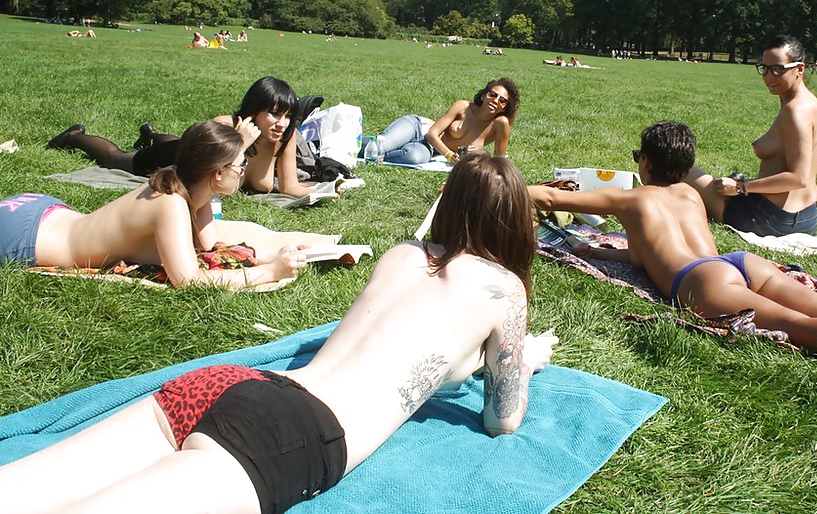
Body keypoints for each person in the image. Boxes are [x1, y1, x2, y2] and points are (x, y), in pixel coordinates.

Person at [0, 153, 558, 513]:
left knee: (19, 490)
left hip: (232, 383)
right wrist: (523, 361)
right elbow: (502, 419)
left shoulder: (404, 252)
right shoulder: (503, 289)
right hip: (292, 434)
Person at [528, 120, 817, 422]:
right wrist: (606, 254)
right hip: (741, 264)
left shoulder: (629, 198)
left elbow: (548, 198)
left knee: (805, 329)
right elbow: (641, 255)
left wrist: (499, 178)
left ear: (646, 162)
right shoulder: (691, 195)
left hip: (702, 280)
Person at [4, 121, 307, 289]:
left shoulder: (185, 187)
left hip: (44, 213)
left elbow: (212, 245)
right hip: (26, 239)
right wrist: (270, 272)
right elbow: (190, 283)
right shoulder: (171, 204)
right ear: (217, 174)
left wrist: (274, 254)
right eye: (240, 167)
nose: (242, 174)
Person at [48, 77, 317, 198]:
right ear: (253, 110)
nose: (281, 123)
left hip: (181, 145)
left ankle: (151, 134)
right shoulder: (226, 127)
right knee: (115, 158)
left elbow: (289, 187)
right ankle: (74, 136)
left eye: (286, 115)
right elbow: (213, 183)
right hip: (176, 157)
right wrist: (241, 144)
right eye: (273, 114)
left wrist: (323, 191)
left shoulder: (284, 135)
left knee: (170, 139)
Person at [685, 34, 817, 236]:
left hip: (771, 219)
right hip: (804, 217)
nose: (768, 76)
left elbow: (798, 178)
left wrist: (741, 187)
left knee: (680, 170)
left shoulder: (796, 112)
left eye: (778, 69)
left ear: (799, 69)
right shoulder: (807, 102)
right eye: (764, 68)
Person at [365, 78, 519, 165]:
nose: (496, 100)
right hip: (419, 128)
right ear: (483, 96)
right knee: (382, 145)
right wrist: (449, 155)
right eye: (493, 95)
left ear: (504, 108)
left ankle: (377, 155)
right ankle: (350, 140)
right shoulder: (463, 107)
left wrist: (482, 154)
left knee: (414, 157)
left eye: (503, 101)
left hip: (430, 150)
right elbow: (432, 134)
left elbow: (499, 161)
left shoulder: (500, 125)